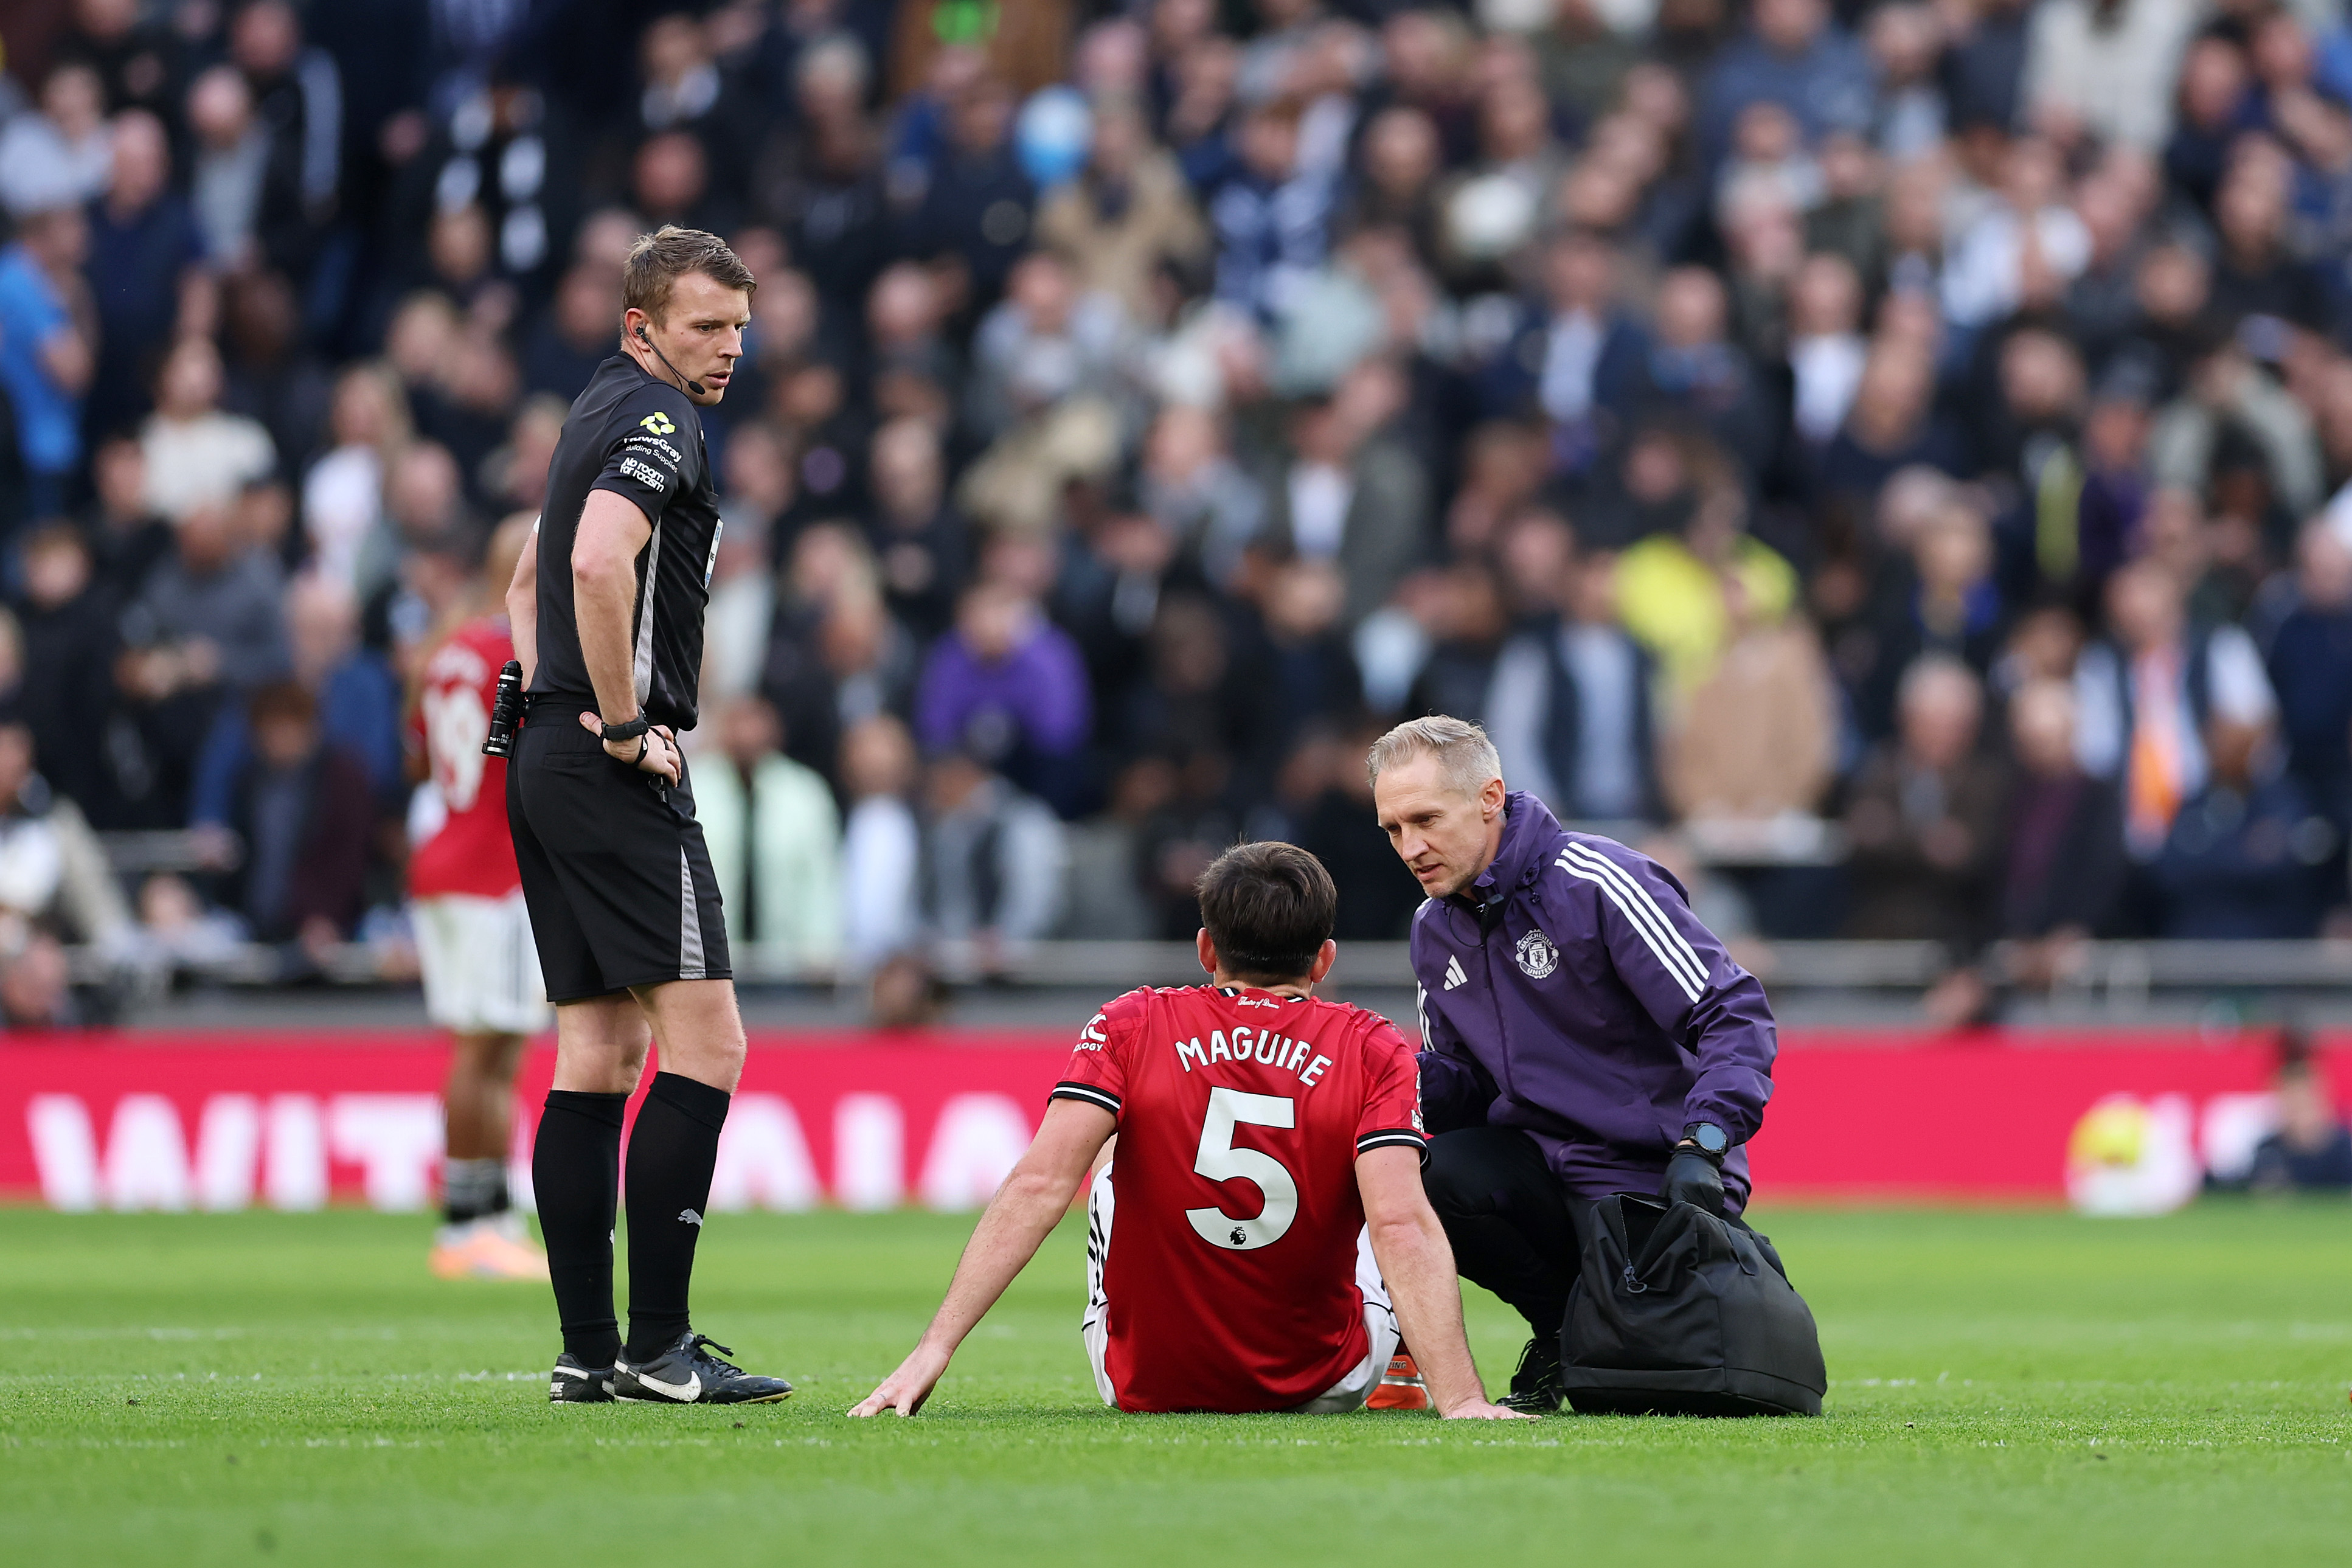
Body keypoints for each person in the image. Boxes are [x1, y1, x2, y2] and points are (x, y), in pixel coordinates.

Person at [850, 840, 1523, 1420]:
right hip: (1330, 1379)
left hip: (1142, 1382)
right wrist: (1462, 1399)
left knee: (1108, 1144)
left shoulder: (1132, 1022)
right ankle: (1405, 1368)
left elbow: (1038, 1186)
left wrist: (931, 1351)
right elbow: (1400, 1225)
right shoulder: (1373, 1043)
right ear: (1324, 960)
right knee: (1391, 1177)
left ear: (1206, 947)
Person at [502, 226, 791, 1407]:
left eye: (737, 327)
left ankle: (588, 1349)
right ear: (642, 326)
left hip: (542, 756)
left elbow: (526, 581)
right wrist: (621, 723)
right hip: (612, 766)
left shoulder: (593, 408)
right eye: (704, 328)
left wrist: (545, 700)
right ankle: (661, 1347)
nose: (728, 349)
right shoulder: (663, 423)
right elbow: (594, 566)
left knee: (597, 1051)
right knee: (709, 1044)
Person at [1368, 715, 1778, 1412]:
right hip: (1541, 1170)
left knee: (1647, 1390)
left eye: (1425, 819)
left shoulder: (1598, 882)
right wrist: (1374, 1068)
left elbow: (1733, 1012)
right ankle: (1564, 1330)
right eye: (1393, 829)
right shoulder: (1432, 928)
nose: (1411, 847)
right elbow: (1462, 1088)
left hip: (1646, 1176)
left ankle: (1629, 1311)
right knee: (1429, 1178)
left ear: (1490, 797)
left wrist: (1704, 1143)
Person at [410, 516, 550, 1283]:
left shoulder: (450, 649)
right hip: (488, 870)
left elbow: (418, 752)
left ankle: (490, 1214)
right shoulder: (518, 649)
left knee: (495, 1047)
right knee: (484, 1046)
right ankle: (467, 1224)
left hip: (456, 855)